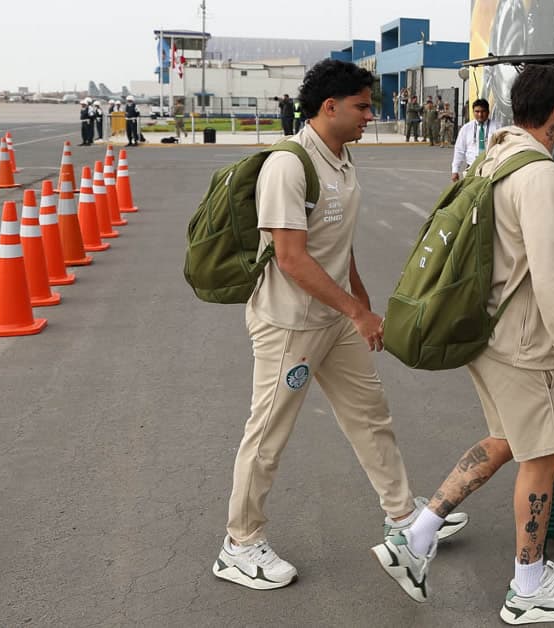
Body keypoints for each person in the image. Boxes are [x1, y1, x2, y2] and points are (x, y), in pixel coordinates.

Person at [211, 59, 469, 591]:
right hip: (291, 326)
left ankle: (402, 516)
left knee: (370, 414)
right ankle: (239, 543)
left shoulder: (342, 157)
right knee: (268, 434)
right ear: (329, 107)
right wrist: (356, 310)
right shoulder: (289, 164)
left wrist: (358, 295)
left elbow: (335, 237)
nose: (370, 115)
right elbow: (290, 256)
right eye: (362, 106)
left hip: (332, 317)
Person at [372, 64, 554, 625]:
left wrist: (544, 258)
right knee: (543, 457)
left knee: (503, 440)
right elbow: (546, 282)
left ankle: (416, 535)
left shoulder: (495, 153)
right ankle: (527, 585)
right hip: (522, 344)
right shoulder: (542, 172)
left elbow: (506, 240)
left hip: (484, 332)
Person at [451, 98, 499, 181]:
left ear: (488, 112)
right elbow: (459, 150)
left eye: (483, 111)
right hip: (471, 168)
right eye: (477, 111)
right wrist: (455, 170)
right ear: (473, 112)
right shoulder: (466, 128)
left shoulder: (497, 127)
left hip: (491, 168)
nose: (480, 114)